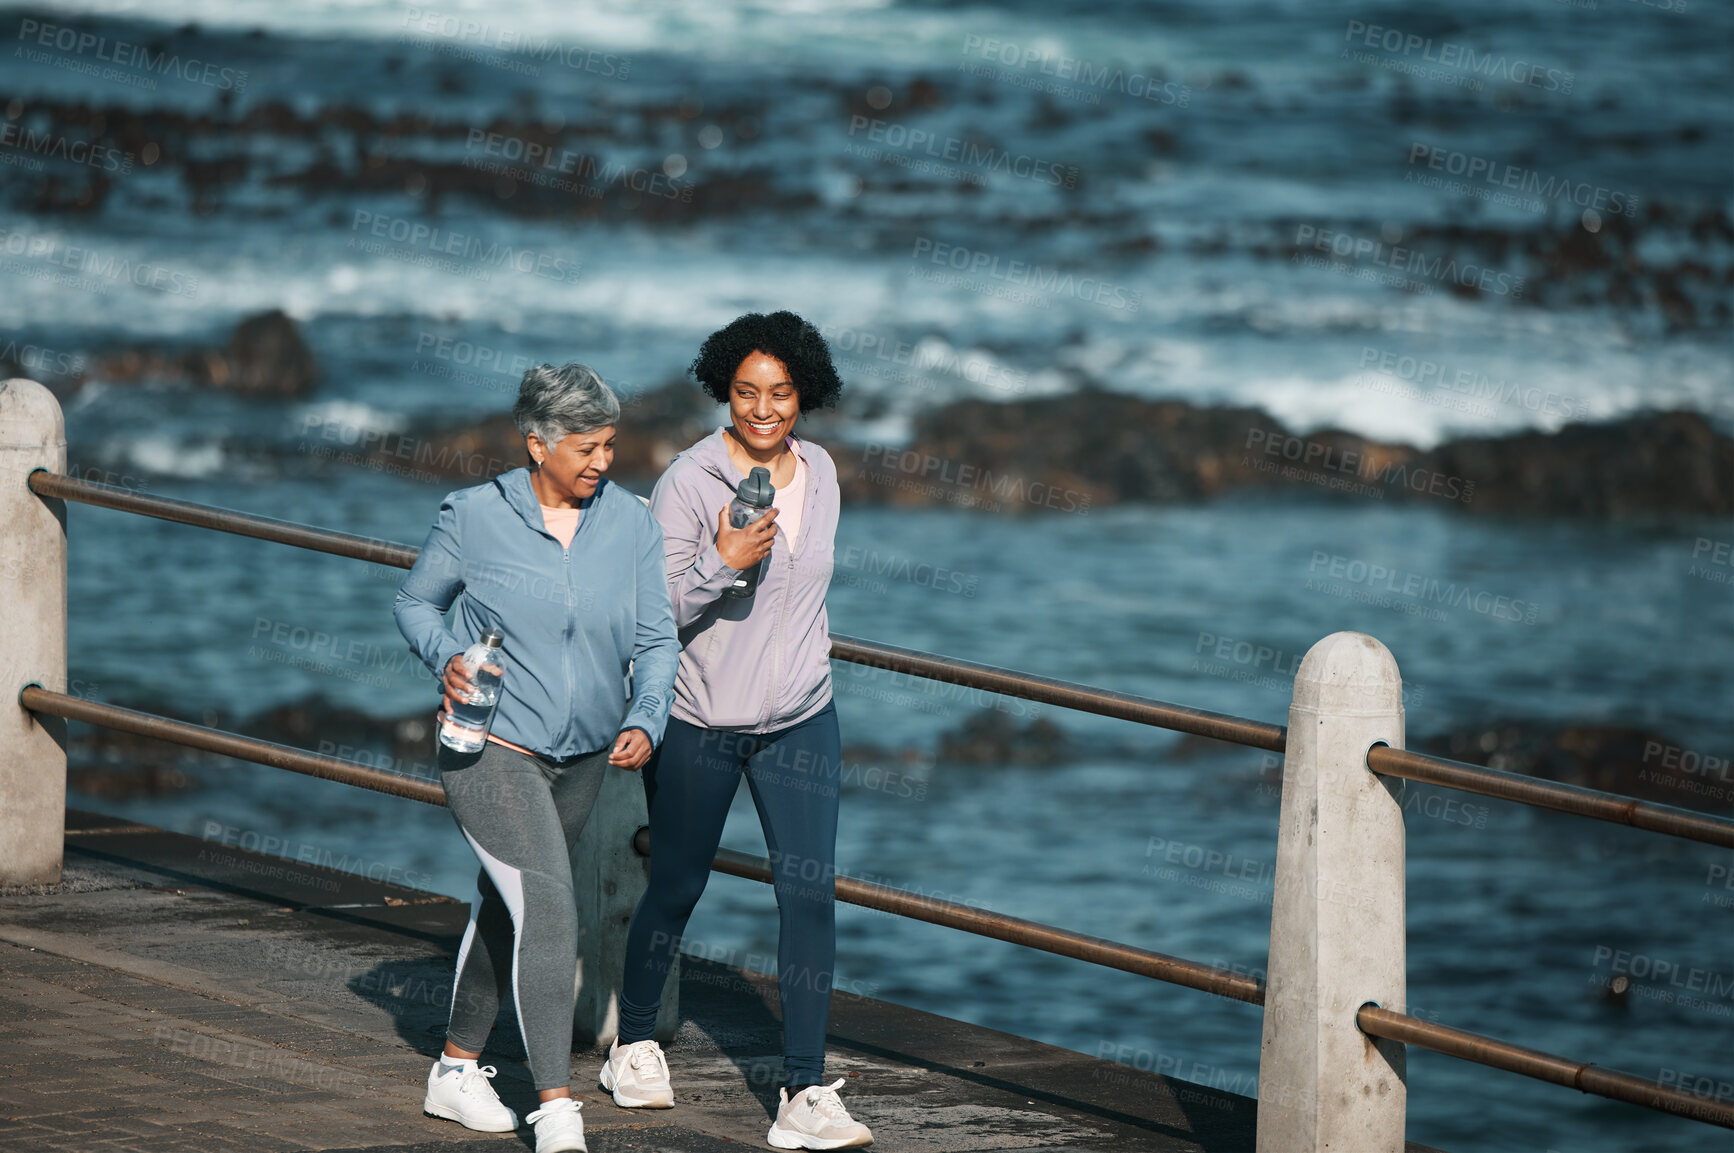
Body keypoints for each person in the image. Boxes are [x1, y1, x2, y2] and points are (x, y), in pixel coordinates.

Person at [598, 311, 873, 1150]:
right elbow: (650, 611)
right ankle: (635, 1040)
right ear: (725, 389)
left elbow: (809, 592)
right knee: (678, 882)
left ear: (805, 395)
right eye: (747, 391)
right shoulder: (688, 480)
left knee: (809, 892)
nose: (763, 409)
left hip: (801, 718)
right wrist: (721, 561)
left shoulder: (821, 472)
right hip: (700, 719)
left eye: (781, 393)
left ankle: (803, 1089)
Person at [394, 362, 678, 1153]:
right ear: (537, 444)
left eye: (610, 445)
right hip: (491, 746)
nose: (602, 461)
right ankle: (556, 1108)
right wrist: (447, 654)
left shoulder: (632, 524)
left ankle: (453, 1069)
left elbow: (657, 639)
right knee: (550, 903)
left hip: (587, 754)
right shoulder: (475, 515)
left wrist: (648, 714)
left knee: (508, 901)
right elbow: (416, 601)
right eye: (586, 446)